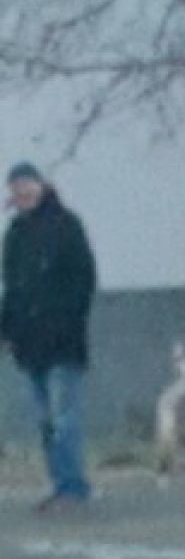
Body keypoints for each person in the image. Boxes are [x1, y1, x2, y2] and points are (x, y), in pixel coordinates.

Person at [1, 163, 97, 512]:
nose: (22, 192)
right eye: (16, 188)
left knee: (64, 418)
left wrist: (67, 323)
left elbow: (84, 280)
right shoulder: (14, 233)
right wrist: (7, 331)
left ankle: (73, 488)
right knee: (45, 422)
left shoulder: (66, 225)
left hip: (63, 344)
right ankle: (59, 484)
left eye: (27, 185)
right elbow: (11, 289)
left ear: (41, 186)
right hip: (29, 346)